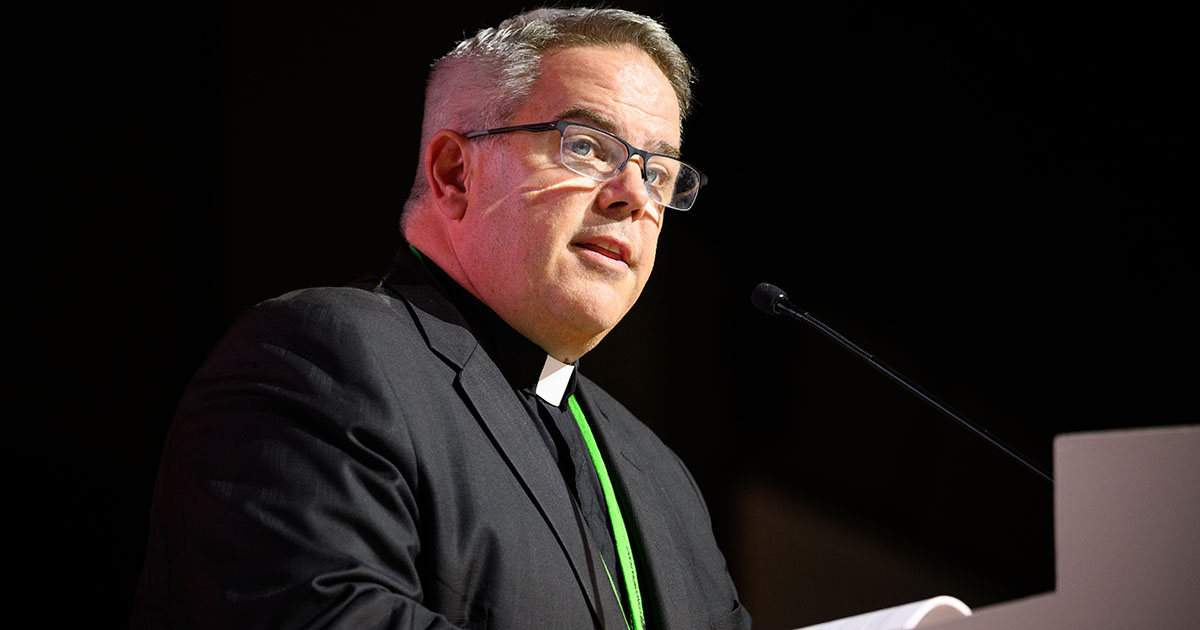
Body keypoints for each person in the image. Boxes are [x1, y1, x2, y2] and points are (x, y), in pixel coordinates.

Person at [132, 7, 750, 629]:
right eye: (586, 146)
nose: (636, 196)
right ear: (455, 173)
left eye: (659, 171)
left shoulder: (664, 482)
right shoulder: (319, 359)